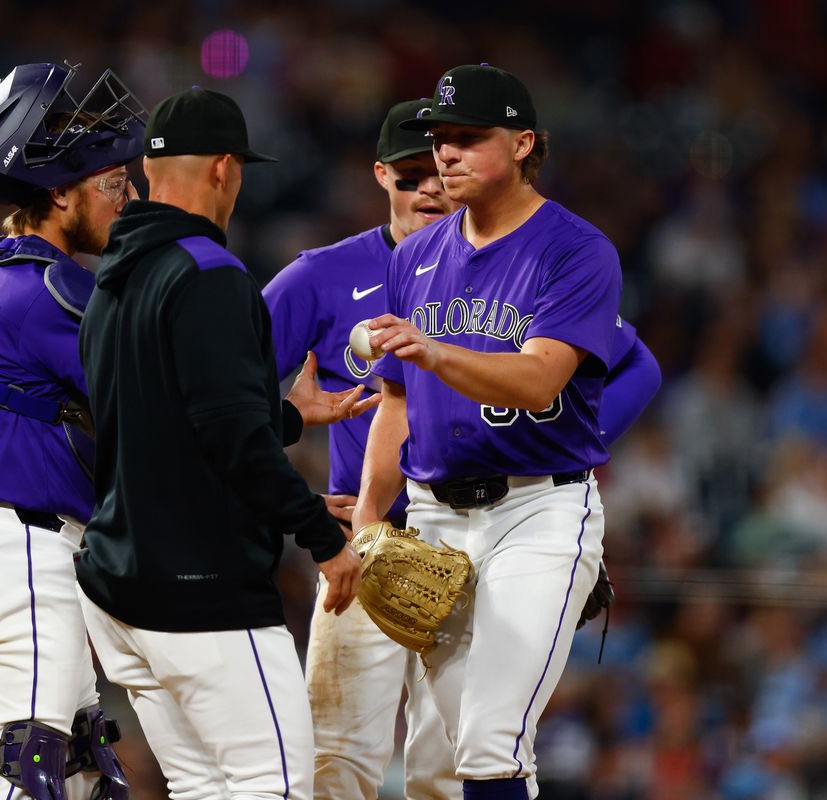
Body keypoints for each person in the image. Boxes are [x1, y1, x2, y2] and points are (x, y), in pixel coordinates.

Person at [264, 99, 660, 799]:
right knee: (335, 758)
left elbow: (633, 365)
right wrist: (286, 458)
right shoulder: (326, 274)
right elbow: (220, 397)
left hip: (508, 515)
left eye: (442, 165)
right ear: (381, 175)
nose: (430, 186)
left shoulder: (523, 258)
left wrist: (570, 449)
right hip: (373, 537)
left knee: (452, 757)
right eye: (412, 172)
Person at [76, 87, 371, 800]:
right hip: (199, 593)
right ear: (223, 168)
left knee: (207, 790)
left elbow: (171, 420)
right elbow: (232, 437)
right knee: (272, 785)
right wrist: (320, 537)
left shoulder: (113, 281)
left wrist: (285, 418)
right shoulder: (209, 273)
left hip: (122, 590)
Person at [352, 64, 623, 800]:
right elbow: (398, 404)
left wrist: (437, 349)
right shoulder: (414, 256)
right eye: (441, 139)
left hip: (538, 511)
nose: (446, 155)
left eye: (469, 138)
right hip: (436, 516)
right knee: (467, 756)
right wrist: (371, 517)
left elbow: (540, 381)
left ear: (524, 141)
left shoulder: (576, 249)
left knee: (489, 739)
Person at [0, 62, 146, 800]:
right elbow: (158, 401)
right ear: (58, 191)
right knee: (19, 783)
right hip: (19, 552)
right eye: (113, 182)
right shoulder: (52, 286)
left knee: (80, 781)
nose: (131, 195)